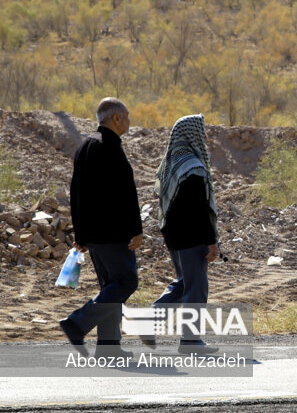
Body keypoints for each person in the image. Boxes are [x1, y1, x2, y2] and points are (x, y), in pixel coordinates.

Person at [61, 98, 143, 358]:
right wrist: (136, 229)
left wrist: (81, 234)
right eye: (127, 116)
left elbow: (76, 193)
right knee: (126, 281)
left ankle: (109, 347)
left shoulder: (86, 146)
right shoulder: (108, 146)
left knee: (111, 287)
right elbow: (125, 194)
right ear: (116, 118)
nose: (129, 121)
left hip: (95, 234)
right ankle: (78, 322)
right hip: (113, 232)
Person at [151, 114, 221, 354]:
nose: (205, 137)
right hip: (193, 238)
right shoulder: (193, 166)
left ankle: (151, 318)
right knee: (196, 289)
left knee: (184, 284)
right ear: (193, 134)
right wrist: (211, 242)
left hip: (173, 237)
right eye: (202, 132)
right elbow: (200, 210)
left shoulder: (170, 162)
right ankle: (190, 342)